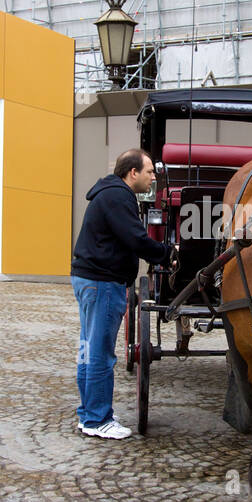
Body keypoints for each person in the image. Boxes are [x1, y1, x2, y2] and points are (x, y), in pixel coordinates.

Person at [71, 148, 174, 440]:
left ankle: (89, 412)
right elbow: (137, 239)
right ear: (133, 173)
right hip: (103, 282)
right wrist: (167, 254)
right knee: (100, 354)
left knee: (88, 351)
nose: (153, 177)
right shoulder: (118, 196)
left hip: (90, 279)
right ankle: (97, 419)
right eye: (150, 171)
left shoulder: (109, 192)